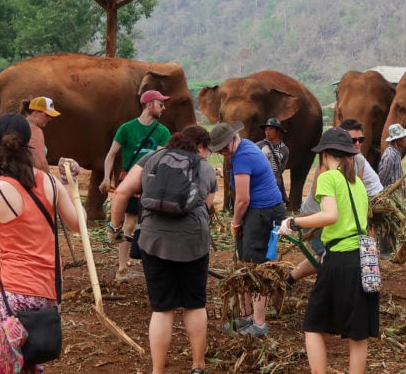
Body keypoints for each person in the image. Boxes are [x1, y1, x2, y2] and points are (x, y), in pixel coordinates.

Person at [0, 113, 80, 374]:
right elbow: (78, 224)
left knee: (11, 363)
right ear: (28, 143)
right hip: (48, 293)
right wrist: (72, 185)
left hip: (12, 294)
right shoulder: (50, 182)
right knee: (33, 359)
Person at [109, 125, 219, 374]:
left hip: (153, 242)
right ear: (199, 146)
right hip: (193, 243)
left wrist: (114, 227)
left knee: (162, 309)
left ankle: (158, 370)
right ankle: (198, 365)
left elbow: (122, 193)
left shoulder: (150, 159)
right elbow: (208, 205)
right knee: (194, 304)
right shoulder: (205, 168)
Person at [277, 128, 379, 374]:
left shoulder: (328, 178)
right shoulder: (357, 183)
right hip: (363, 261)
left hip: (338, 260)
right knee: (358, 333)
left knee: (312, 325)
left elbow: (330, 215)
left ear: (324, 155)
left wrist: (294, 222)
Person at [289, 119, 381, 283]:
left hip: (335, 219)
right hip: (315, 214)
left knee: (326, 259)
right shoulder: (327, 168)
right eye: (353, 140)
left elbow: (352, 192)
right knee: (325, 258)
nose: (358, 144)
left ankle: (292, 280)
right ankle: (294, 280)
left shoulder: (358, 160)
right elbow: (324, 193)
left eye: (361, 140)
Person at [218, 121, 287, 336]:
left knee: (256, 268)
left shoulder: (243, 156)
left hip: (262, 212)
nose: (222, 152)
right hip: (258, 211)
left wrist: (235, 222)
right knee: (246, 263)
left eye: (224, 147)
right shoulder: (245, 145)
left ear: (233, 139)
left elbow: (242, 199)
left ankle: (258, 324)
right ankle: (246, 318)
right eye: (218, 149)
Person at [100, 89, 173, 282]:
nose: (163, 108)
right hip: (129, 182)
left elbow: (158, 160)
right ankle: (122, 267)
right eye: (160, 104)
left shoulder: (163, 131)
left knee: (151, 223)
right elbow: (112, 153)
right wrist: (106, 177)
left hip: (150, 182)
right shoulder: (127, 128)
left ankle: (149, 266)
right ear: (149, 105)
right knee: (129, 222)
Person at [257, 117, 290, 201]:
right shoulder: (258, 146)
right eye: (266, 129)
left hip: (276, 184)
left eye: (271, 129)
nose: (267, 132)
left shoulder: (284, 149)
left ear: (278, 131)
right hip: (260, 182)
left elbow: (281, 168)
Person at [23, 96, 60, 171]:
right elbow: (41, 164)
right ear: (36, 112)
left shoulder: (22, 125)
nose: (50, 118)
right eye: (47, 115)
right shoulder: (33, 130)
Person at [378, 123, 406, 197]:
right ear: (396, 140)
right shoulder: (390, 155)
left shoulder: (396, 153)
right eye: (403, 137)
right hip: (391, 197)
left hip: (397, 196)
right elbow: (383, 177)